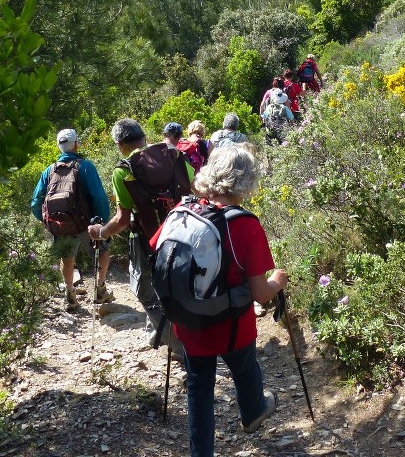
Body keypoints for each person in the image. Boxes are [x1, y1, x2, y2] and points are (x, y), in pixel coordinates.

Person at [149, 143, 287, 457]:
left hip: (189, 322)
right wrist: (278, 280)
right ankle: (253, 413)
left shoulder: (180, 213)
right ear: (247, 181)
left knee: (199, 388)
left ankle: (201, 453)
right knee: (245, 366)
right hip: (232, 326)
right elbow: (261, 295)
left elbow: (156, 250)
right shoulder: (245, 225)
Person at [88, 118, 191, 351]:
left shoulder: (124, 170)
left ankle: (178, 346)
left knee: (146, 292)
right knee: (184, 286)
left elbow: (122, 220)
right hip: (186, 232)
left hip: (149, 240)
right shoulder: (172, 154)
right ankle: (169, 334)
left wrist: (100, 232)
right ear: (144, 137)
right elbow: (195, 186)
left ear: (118, 143)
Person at [32, 128, 112, 312]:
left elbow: (36, 201)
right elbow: (98, 196)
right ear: (76, 144)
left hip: (60, 224)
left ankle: (70, 295)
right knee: (103, 250)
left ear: (59, 147)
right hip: (87, 223)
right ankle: (100, 289)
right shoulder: (86, 166)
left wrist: (46, 221)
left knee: (67, 257)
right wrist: (102, 221)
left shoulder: (49, 171)